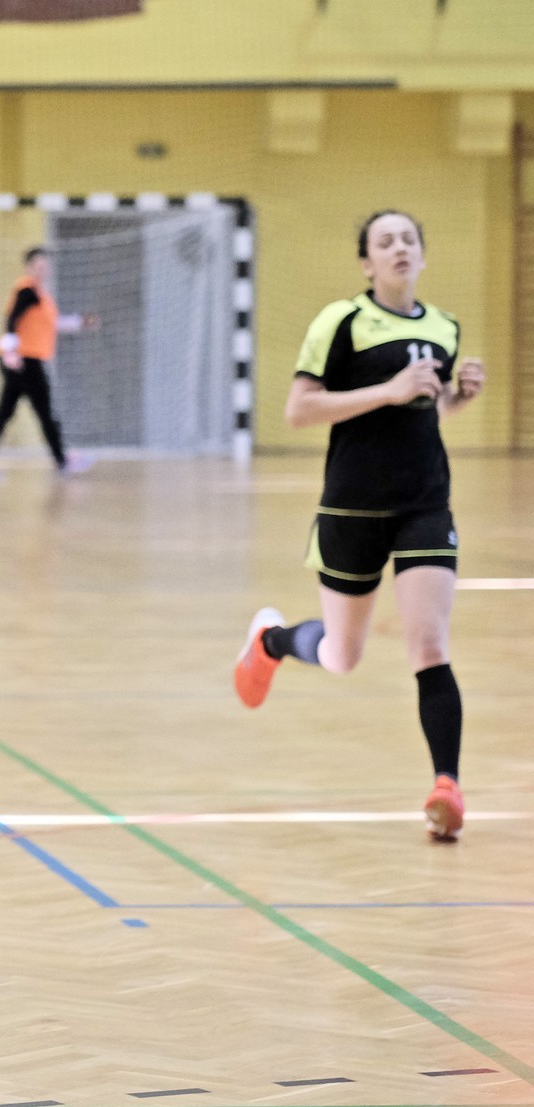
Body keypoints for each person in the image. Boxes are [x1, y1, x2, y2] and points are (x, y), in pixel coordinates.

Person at [232, 210, 484, 840]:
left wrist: (455, 400)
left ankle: (446, 789)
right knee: (342, 657)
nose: (400, 248)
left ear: (422, 255)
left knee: (430, 646)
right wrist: (388, 390)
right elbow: (299, 410)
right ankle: (270, 643)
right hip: (352, 507)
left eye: (409, 239)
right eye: (385, 241)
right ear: (367, 263)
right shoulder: (340, 321)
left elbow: (420, 414)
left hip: (425, 503)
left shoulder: (445, 328)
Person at [0, 245, 93, 479]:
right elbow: (11, 320)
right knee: (44, 412)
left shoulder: (42, 297)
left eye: (45, 266)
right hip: (24, 360)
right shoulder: (27, 290)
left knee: (6, 412)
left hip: (24, 360)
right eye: (37, 266)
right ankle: (62, 460)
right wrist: (10, 351)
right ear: (29, 267)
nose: (42, 270)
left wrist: (79, 322)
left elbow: (52, 324)